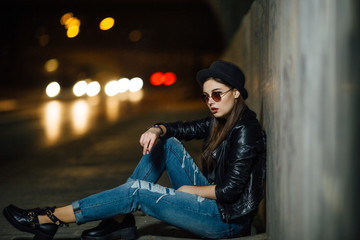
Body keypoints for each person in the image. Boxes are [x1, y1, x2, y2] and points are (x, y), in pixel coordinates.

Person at [3, 60, 266, 240]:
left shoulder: (246, 130)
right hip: (215, 205)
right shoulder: (222, 121)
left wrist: (189, 191)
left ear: (236, 93)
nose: (211, 102)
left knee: (138, 191)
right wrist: (156, 129)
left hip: (226, 221)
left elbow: (230, 191)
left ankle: (51, 218)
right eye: (206, 96)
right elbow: (183, 129)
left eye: (217, 94)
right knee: (168, 144)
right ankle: (119, 220)